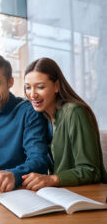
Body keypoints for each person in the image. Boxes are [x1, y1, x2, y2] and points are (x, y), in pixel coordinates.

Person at [0, 52, 49, 193]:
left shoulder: (29, 112)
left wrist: (14, 175)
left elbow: (39, 161)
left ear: (10, 82)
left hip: (18, 191)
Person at [22, 57, 107, 190]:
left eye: (40, 87)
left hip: (89, 195)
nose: (32, 94)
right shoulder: (41, 117)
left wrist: (52, 179)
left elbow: (91, 170)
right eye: (28, 87)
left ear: (56, 86)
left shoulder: (75, 112)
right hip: (62, 194)